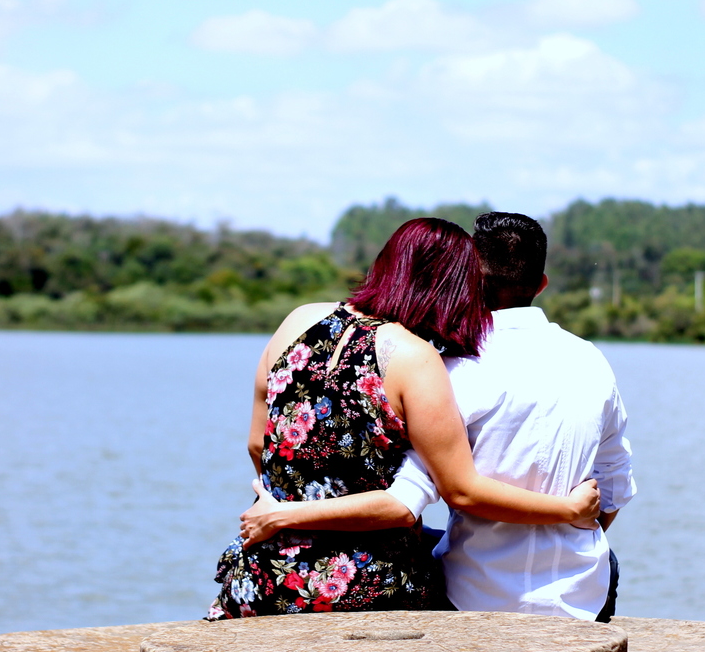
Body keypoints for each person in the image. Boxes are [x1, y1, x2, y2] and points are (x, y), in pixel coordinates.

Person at [240, 212, 635, 621]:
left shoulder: (313, 323)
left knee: (432, 543)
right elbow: (614, 483)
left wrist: (284, 510)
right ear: (541, 284)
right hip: (583, 594)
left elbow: (262, 446)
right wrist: (570, 513)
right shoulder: (593, 361)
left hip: (466, 590)